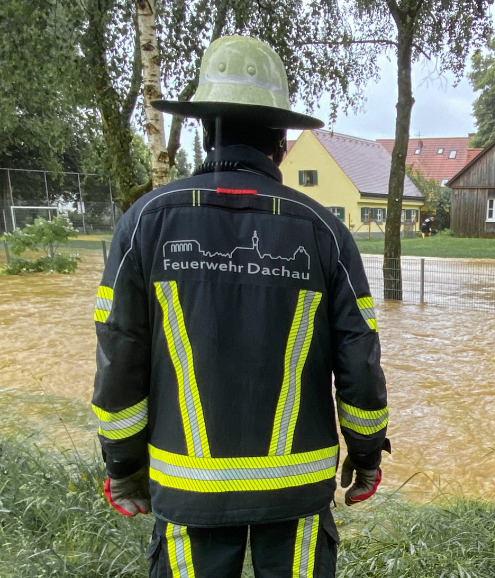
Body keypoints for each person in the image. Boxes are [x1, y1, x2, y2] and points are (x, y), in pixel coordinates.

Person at [91, 36, 389, 578]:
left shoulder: (145, 223)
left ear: (206, 130)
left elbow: (118, 356)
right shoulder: (325, 233)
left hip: (189, 489)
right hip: (296, 493)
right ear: (280, 140)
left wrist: (124, 466)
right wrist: (365, 457)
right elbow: (360, 361)